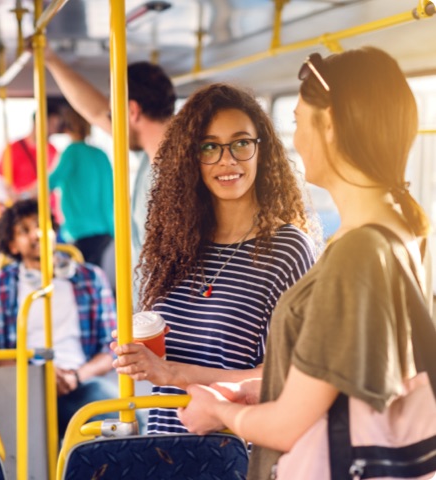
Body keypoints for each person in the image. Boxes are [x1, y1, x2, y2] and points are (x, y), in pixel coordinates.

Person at [177, 47, 431, 479]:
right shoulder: (400, 231)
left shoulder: (356, 255)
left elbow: (289, 426)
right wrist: (261, 390)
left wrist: (219, 411)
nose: (294, 139)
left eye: (297, 120)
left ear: (328, 124)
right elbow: (347, 380)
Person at [112, 83, 317, 435]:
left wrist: (174, 373)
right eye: (210, 146)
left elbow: (289, 376)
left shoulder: (287, 250)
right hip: (164, 446)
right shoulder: (178, 244)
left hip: (232, 452)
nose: (228, 159)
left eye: (241, 143)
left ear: (261, 151)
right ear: (191, 158)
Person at [43, 48, 176, 294]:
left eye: (116, 111)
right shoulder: (152, 156)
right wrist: (50, 58)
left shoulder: (176, 172)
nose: (110, 118)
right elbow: (94, 112)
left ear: (133, 111)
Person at [0, 198, 119, 436]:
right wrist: (40, 376)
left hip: (81, 380)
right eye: (24, 231)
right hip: (25, 382)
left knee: (122, 420)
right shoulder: (0, 286)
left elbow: (111, 348)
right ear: (13, 245)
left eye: (40, 224)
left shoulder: (91, 278)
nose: (36, 233)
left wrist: (75, 377)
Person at [49, 104, 114, 270]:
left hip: (80, 230)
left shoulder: (71, 152)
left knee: (83, 279)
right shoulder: (101, 154)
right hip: (106, 230)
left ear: (66, 126)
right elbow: (111, 194)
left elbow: (49, 184)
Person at [0, 98, 65, 218]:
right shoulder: (12, 149)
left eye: (56, 126)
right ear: (39, 121)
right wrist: (22, 196)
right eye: (52, 125)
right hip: (24, 214)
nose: (54, 130)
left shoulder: (53, 150)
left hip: (48, 213)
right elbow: (2, 185)